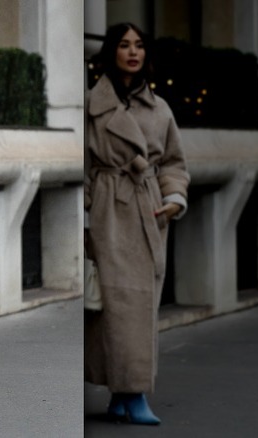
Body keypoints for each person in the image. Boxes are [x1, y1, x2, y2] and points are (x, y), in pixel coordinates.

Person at [84, 22, 190, 426]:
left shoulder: (160, 108)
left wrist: (173, 198)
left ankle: (129, 392)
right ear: (111, 51)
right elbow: (88, 165)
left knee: (140, 305)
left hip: (148, 210)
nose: (133, 52)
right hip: (108, 210)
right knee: (114, 308)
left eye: (140, 45)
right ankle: (127, 392)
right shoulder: (94, 104)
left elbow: (175, 163)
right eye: (125, 45)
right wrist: (86, 220)